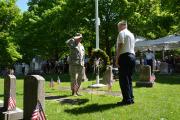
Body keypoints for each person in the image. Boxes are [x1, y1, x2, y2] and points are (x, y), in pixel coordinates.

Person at [116, 20, 136, 105]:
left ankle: (126, 100)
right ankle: (130, 98)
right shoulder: (131, 34)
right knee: (129, 79)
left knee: (123, 80)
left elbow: (120, 45)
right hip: (132, 57)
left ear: (122, 25)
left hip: (124, 56)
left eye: (118, 27)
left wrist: (117, 58)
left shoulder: (122, 33)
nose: (118, 29)